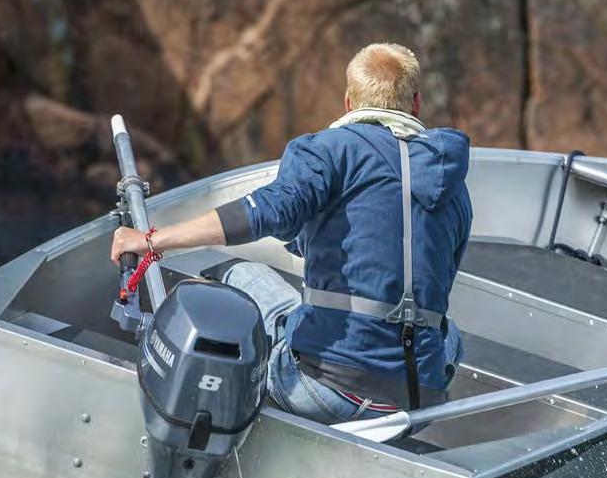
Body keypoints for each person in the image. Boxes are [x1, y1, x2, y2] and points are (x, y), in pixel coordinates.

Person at [111, 42, 473, 424]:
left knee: (241, 275)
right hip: (419, 403)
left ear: (349, 102)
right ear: (415, 104)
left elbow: (261, 213)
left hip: (325, 390)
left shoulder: (329, 151)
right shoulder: (455, 187)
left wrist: (150, 240)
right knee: (446, 334)